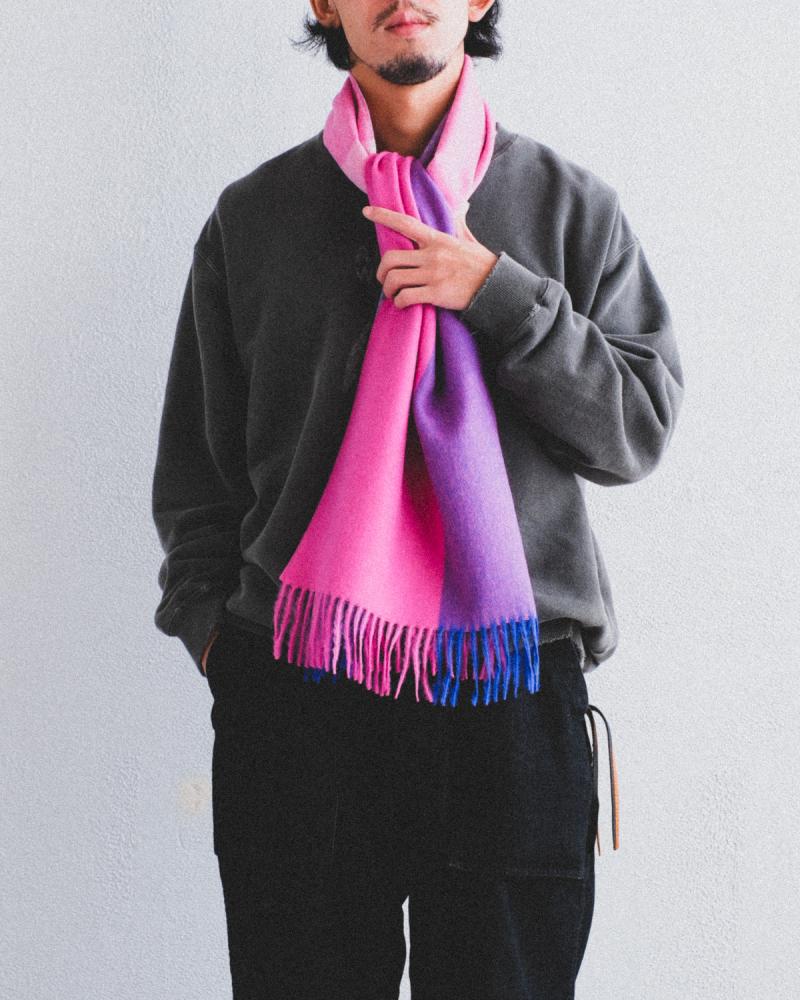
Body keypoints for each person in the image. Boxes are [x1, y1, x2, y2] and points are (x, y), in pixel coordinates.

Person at [151, 2, 684, 997]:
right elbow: (197, 476)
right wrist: (223, 646)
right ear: (323, 4)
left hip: (510, 692)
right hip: (298, 689)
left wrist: (494, 291)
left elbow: (635, 428)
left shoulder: (568, 208)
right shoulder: (254, 220)